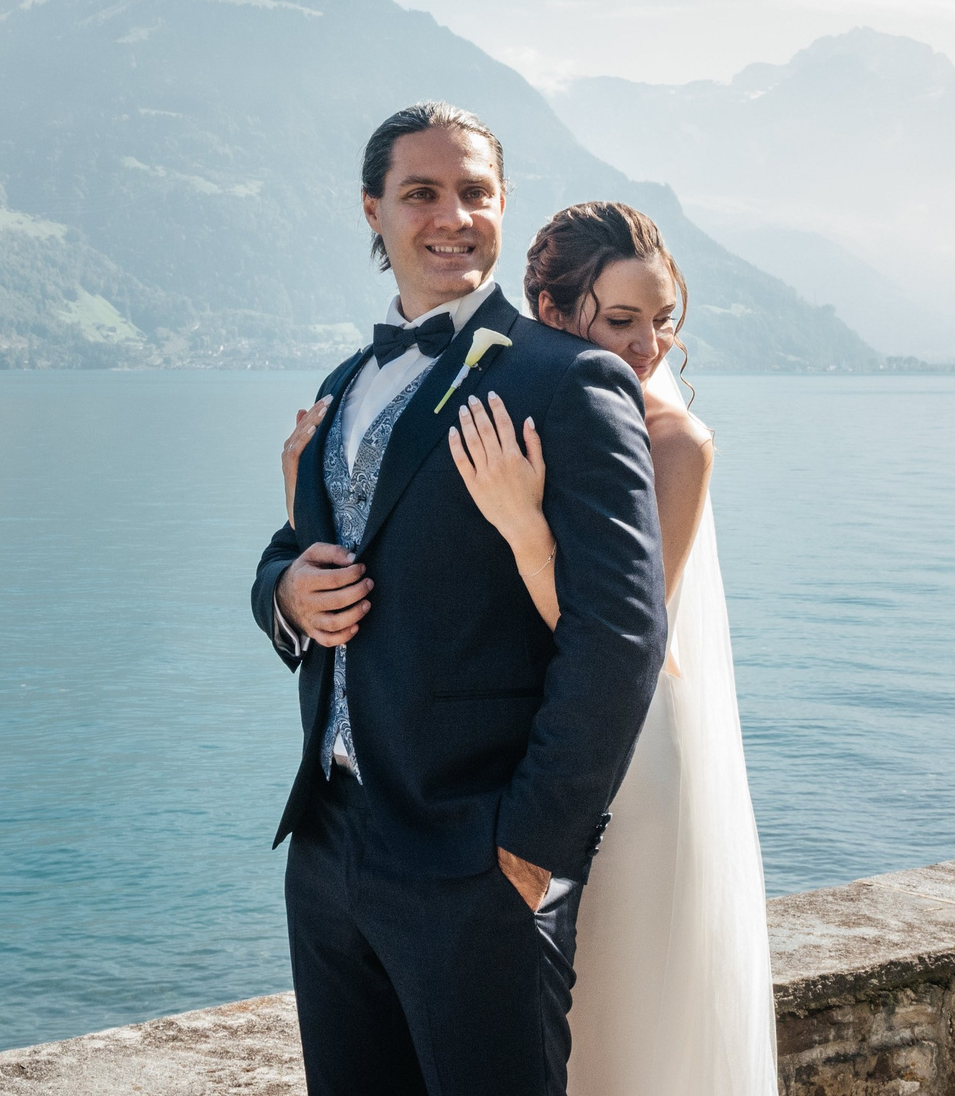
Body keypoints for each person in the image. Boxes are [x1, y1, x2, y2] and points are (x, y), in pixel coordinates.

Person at [252, 103, 668, 1096]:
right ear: (373, 209)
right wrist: (285, 593)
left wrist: (531, 852)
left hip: (476, 860)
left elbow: (621, 634)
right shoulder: (343, 383)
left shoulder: (569, 381)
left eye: (474, 191)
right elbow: (288, 550)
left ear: (502, 206)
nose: (452, 214)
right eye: (421, 192)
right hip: (328, 848)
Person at [448, 202, 778, 1096]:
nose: (650, 344)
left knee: (624, 1018)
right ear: (552, 313)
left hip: (626, 752)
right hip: (533, 743)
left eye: (664, 319)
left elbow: (626, 636)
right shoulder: (523, 416)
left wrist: (524, 526)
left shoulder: (678, 445)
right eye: (624, 320)